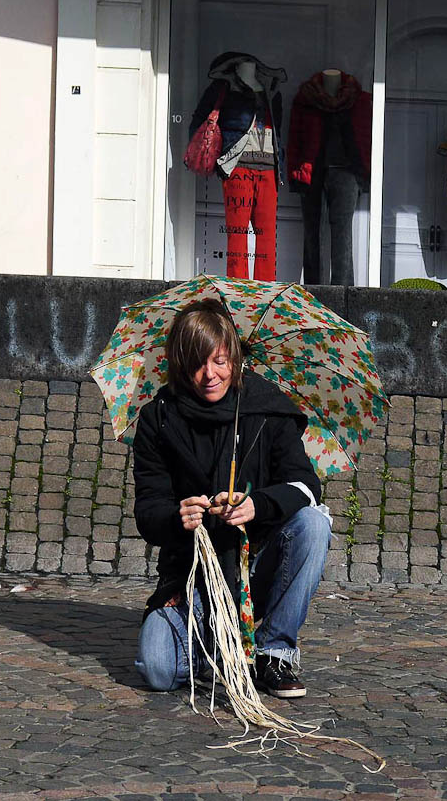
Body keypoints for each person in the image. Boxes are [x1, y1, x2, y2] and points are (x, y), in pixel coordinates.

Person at [132, 298, 331, 698]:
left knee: (313, 523)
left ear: (235, 359)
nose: (210, 375)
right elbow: (147, 509)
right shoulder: (158, 419)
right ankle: (217, 646)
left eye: (220, 361)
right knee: (158, 670)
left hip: (257, 568)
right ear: (180, 365)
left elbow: (307, 487)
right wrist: (176, 516)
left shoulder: (268, 409)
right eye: (198, 364)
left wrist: (258, 505)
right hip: (194, 576)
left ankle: (274, 652)